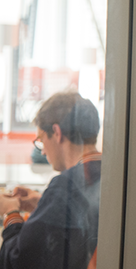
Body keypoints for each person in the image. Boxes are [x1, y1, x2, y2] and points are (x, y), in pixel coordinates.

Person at [0, 91, 102, 269]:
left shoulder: (65, 186)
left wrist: (10, 212)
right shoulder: (108, 172)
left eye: (40, 140)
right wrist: (43, 202)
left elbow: (20, 260)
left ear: (56, 132)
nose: (44, 151)